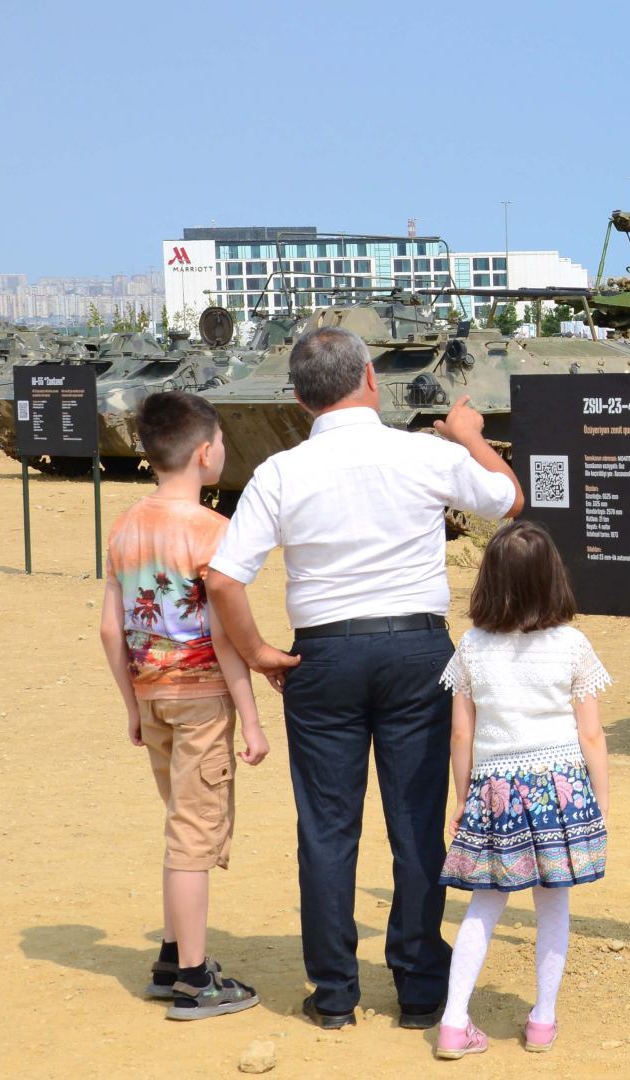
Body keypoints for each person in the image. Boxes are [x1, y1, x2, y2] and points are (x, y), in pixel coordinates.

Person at [205, 326, 521, 1031]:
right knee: (414, 825)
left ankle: (335, 995)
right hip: (415, 650)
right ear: (371, 378)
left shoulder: (281, 472)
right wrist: (469, 434)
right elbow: (507, 500)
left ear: (299, 399)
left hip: (324, 655)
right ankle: (417, 989)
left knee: (326, 828)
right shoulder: (420, 451)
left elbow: (224, 578)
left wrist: (258, 653)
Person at [99, 391, 268, 1021]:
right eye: (221, 441)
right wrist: (249, 718)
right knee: (194, 838)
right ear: (204, 453)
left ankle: (172, 954)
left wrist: (131, 706)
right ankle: (195, 979)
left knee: (179, 823)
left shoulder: (124, 527)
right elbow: (224, 636)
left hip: (151, 695)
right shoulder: (212, 531)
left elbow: (111, 630)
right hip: (201, 700)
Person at [431, 520, 610, 1059]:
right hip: (560, 790)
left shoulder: (472, 646)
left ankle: (453, 1023)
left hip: (494, 790)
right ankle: (541, 1021)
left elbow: (461, 732)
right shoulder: (572, 645)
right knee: (554, 904)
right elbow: (592, 734)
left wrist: (462, 799)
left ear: (489, 579)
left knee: (485, 904)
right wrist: (599, 802)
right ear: (553, 578)